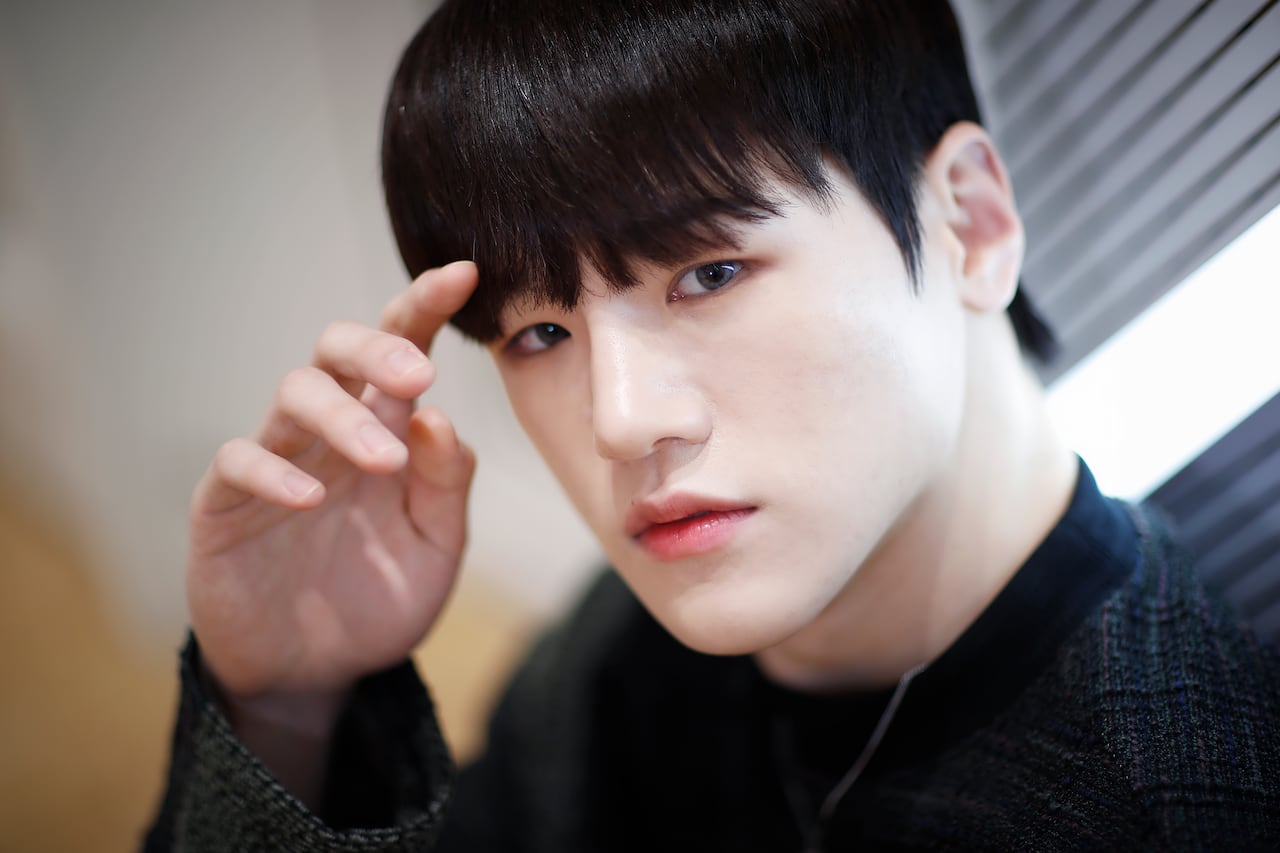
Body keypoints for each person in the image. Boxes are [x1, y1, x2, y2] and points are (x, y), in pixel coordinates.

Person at [145, 0, 1280, 850]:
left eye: (709, 273)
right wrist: (284, 706)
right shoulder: (630, 651)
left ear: (969, 224)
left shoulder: (1170, 795)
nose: (620, 420)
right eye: (541, 332)